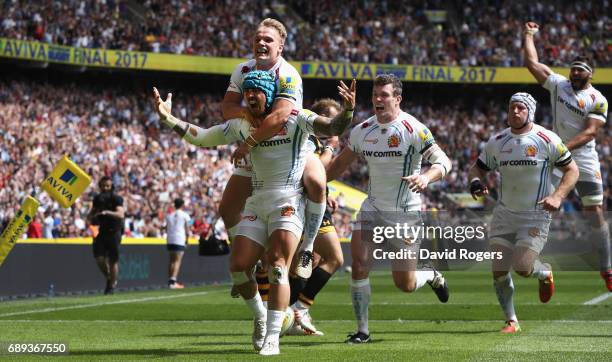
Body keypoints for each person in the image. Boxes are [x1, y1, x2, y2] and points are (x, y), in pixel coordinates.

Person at [153, 70, 356, 355]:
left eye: (256, 91)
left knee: (277, 265)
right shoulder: (242, 125)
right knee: (237, 267)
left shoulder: (296, 117)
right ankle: (261, 316)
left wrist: (347, 110)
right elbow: (203, 137)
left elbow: (333, 127)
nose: (250, 96)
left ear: (270, 95)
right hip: (257, 203)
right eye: (247, 91)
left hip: (287, 202)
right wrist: (168, 119)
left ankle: (273, 336)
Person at [326, 74, 452, 344]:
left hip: (405, 214)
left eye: (384, 95)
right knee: (359, 265)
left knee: (404, 285)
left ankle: (430, 274)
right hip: (372, 209)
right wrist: (314, 183)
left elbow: (443, 161)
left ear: (398, 98)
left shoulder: (413, 129)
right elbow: (338, 165)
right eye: (375, 95)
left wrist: (426, 177)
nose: (378, 100)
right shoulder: (363, 130)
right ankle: (363, 331)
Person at [221, 18, 325, 279]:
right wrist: (246, 112)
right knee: (227, 208)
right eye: (257, 39)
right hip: (259, 152)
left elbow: (279, 117)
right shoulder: (242, 70)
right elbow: (226, 108)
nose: (261, 43)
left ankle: (308, 246)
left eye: (268, 39)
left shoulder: (288, 74)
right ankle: (249, 258)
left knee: (316, 182)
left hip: (292, 146)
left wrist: (247, 143)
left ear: (280, 46)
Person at [468, 92, 579, 333]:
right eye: (512, 108)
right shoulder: (498, 141)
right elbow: (476, 169)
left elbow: (572, 170)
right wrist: (475, 183)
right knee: (498, 269)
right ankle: (511, 321)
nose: (515, 112)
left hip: (535, 214)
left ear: (530, 112)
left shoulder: (546, 139)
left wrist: (557, 196)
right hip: (505, 213)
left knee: (521, 266)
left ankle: (544, 271)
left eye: (520, 108)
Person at [523, 21, 611, 291]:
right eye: (572, 68)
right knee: (537, 205)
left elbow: (589, 133)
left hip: (582, 157)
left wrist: (561, 149)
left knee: (594, 211)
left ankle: (607, 268)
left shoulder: (598, 99)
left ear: (589, 74)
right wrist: (528, 35)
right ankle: (538, 267)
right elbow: (531, 63)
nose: (574, 73)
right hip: (557, 156)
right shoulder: (559, 85)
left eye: (579, 70)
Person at [87, 176, 125, 295]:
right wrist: (90, 216)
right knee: (99, 258)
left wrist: (107, 213)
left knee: (113, 260)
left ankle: (111, 286)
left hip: (114, 231)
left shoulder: (116, 198)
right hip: (102, 230)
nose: (105, 188)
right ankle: (110, 278)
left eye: (107, 186)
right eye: (103, 186)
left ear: (111, 186)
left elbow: (120, 214)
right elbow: (92, 212)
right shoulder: (97, 199)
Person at [165, 198, 191, 289]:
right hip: (179, 239)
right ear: (182, 205)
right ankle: (173, 281)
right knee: (177, 261)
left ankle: (170, 281)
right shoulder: (185, 215)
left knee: (171, 260)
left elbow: (166, 228)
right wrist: (187, 240)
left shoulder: (169, 215)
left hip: (170, 239)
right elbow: (188, 229)